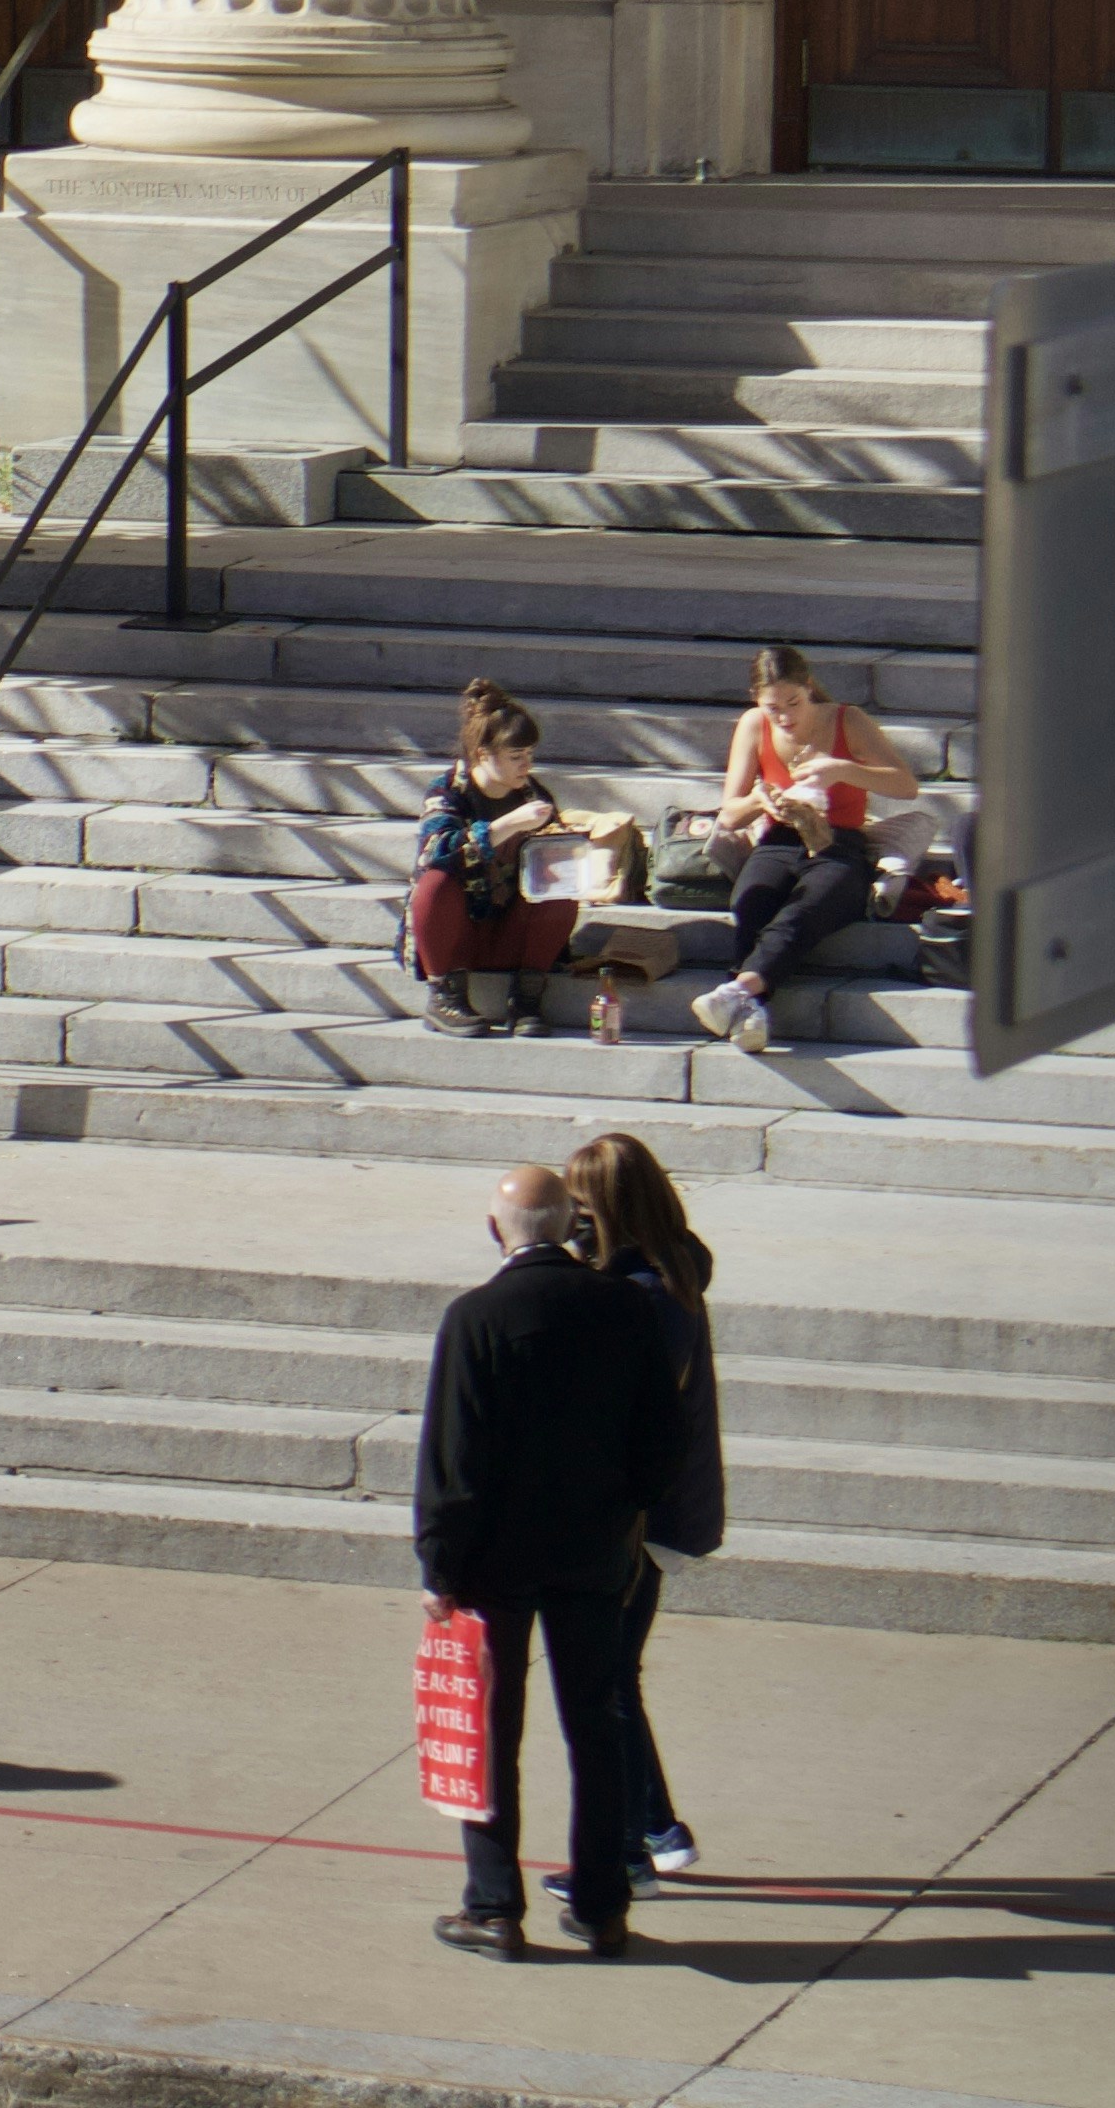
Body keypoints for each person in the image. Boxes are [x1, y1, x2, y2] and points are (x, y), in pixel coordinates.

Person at [416, 1161, 692, 1960]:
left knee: (491, 1728)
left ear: (496, 1230)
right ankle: (603, 1905)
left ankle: (494, 1905)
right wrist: (626, 1514)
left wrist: (440, 1565)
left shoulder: (476, 1316)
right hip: (595, 1553)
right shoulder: (624, 1308)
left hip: (497, 1560)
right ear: (572, 1226)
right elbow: (662, 1437)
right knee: (596, 1727)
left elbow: (451, 1457)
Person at [559, 1131, 723, 1896]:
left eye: (585, 1209)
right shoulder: (671, 1273)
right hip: (665, 1512)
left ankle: (627, 1851)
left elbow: (626, 1412)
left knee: (609, 1680)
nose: (575, 1223)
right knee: (617, 1672)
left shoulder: (646, 1298)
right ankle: (659, 1826)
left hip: (643, 1518)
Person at [686, 646, 909, 1049]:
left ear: (809, 688)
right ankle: (750, 1008)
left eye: (794, 703)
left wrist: (842, 769)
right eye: (774, 708)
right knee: (751, 903)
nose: (785, 717)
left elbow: (905, 785)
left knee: (804, 909)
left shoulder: (847, 719)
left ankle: (737, 992)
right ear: (757, 701)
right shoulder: (753, 725)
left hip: (838, 840)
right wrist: (761, 799)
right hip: (780, 837)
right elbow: (730, 814)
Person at [405, 682, 582, 1038]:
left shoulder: (533, 794)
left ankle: (527, 998)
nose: (526, 765)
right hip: (455, 933)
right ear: (484, 754)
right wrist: (506, 826)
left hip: (509, 929)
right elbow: (436, 851)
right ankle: (444, 996)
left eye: (530, 754)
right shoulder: (447, 792)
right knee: (434, 883)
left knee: (561, 885)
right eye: (516, 757)